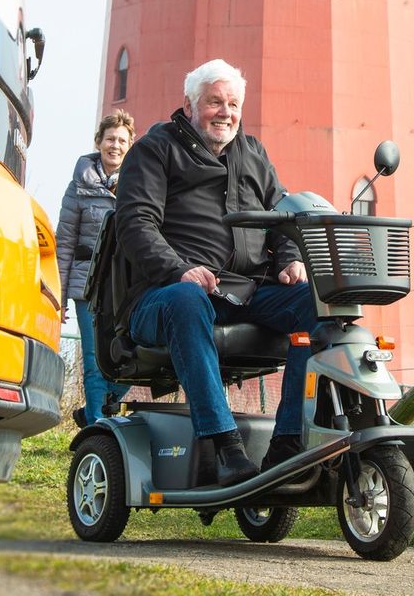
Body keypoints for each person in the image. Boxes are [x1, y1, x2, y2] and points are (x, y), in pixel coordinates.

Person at [113, 59, 315, 486]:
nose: (226, 112)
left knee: (319, 303)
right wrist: (180, 269)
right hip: (164, 295)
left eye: (233, 104)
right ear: (189, 105)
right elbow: (135, 225)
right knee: (186, 299)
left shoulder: (255, 154)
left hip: (247, 291)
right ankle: (224, 445)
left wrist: (289, 260)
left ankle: (288, 444)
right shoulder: (155, 149)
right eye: (215, 102)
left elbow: (284, 218)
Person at [57, 111, 137, 427]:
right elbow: (64, 243)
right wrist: (59, 296)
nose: (114, 146)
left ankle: (96, 409)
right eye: (110, 139)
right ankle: (96, 428)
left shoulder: (139, 184)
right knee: (93, 361)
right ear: (98, 142)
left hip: (124, 285)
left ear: (130, 146)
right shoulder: (78, 186)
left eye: (121, 141)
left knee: (130, 356)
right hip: (86, 283)